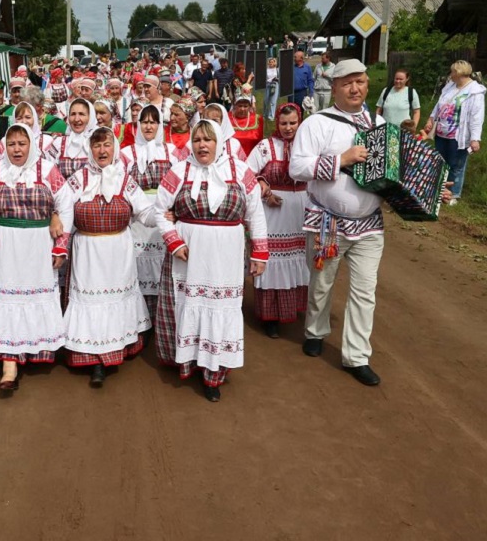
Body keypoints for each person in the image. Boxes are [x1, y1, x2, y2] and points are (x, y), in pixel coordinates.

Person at [154, 120, 268, 402]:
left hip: (225, 256)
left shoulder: (242, 172)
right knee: (188, 305)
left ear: (219, 141)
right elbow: (160, 210)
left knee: (219, 306)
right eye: (197, 139)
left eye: (208, 139)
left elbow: (256, 215)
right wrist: (174, 240)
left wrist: (259, 253)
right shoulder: (179, 171)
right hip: (188, 255)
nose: (202, 145)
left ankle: (213, 373)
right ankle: (187, 361)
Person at [289, 59, 386, 387]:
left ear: (367, 85)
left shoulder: (378, 123)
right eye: (347, 83)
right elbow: (296, 168)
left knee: (365, 292)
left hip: (370, 225)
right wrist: (340, 160)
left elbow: (391, 172)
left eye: (360, 82)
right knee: (321, 284)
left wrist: (422, 190)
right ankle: (315, 331)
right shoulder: (317, 124)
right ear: (334, 88)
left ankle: (357, 356)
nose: (355, 88)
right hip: (328, 223)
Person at [0, 123, 74, 392]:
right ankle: (9, 363)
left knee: (33, 297)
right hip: (4, 247)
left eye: (22, 143)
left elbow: (65, 205)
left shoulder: (48, 171)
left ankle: (35, 350)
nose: (17, 149)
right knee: (6, 300)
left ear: (32, 145)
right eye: (12, 144)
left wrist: (60, 245)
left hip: (38, 246)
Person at [64, 127, 156, 385]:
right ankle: (94, 360)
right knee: (91, 302)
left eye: (106, 145)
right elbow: (61, 209)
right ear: (89, 149)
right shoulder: (78, 179)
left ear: (114, 148)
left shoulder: (125, 180)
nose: (102, 150)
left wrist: (167, 213)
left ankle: (111, 351)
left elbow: (145, 213)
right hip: (88, 253)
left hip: (118, 252)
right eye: (96, 145)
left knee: (115, 299)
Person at [246, 103, 309, 338]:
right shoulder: (266, 147)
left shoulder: (307, 147)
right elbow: (247, 173)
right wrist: (264, 186)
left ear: (299, 122)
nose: (288, 127)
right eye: (283, 123)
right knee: (271, 261)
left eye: (293, 123)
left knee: (299, 259)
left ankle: (291, 308)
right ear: (277, 124)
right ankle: (270, 315)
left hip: (301, 211)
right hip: (272, 212)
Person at [122, 105, 188, 321]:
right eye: (144, 121)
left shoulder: (173, 152)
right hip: (136, 218)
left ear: (161, 124)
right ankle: (141, 320)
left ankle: (162, 317)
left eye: (153, 121)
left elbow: (183, 183)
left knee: (161, 265)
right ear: (137, 124)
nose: (149, 126)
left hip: (164, 216)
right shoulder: (126, 153)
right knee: (138, 265)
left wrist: (177, 211)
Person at [424, 60, 485, 204]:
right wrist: (431, 119)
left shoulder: (475, 92)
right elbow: (439, 105)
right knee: (440, 162)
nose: (450, 75)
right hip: (441, 133)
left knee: (456, 165)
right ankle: (439, 191)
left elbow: (477, 117)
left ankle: (453, 194)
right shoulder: (450, 86)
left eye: (452, 72)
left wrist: (475, 138)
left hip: (458, 136)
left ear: (459, 73)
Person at [47, 98, 97, 179]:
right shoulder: (58, 143)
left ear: (90, 117)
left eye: (81, 114)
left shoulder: (98, 142)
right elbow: (49, 173)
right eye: (73, 114)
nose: (76, 119)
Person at [228, 93, 264, 158]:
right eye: (240, 106)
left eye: (245, 106)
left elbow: (260, 142)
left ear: (250, 106)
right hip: (232, 158)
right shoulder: (227, 118)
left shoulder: (257, 119)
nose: (242, 109)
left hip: (252, 158)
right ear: (234, 105)